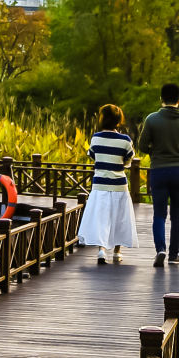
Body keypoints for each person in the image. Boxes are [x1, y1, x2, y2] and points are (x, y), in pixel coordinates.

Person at [137, 82, 179, 268]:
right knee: (177, 214)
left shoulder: (151, 119)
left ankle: (160, 250)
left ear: (161, 99)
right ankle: (174, 255)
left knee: (159, 213)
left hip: (158, 170)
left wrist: (155, 152)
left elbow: (141, 146)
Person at [75, 103, 137, 265]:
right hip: (119, 185)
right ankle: (117, 252)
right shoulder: (125, 140)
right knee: (119, 218)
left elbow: (93, 156)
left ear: (102, 119)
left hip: (100, 185)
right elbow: (128, 160)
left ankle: (101, 250)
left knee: (101, 218)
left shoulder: (96, 138)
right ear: (119, 120)